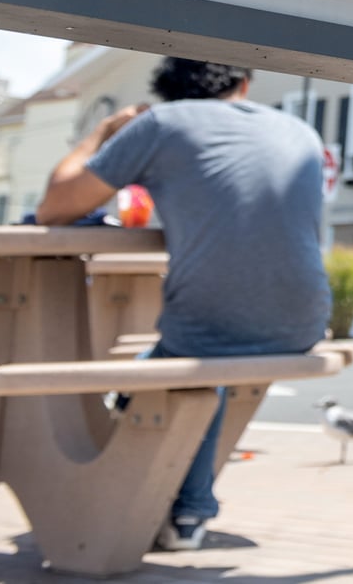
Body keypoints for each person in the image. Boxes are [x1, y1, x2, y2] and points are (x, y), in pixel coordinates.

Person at [38, 58, 330, 552]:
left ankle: (188, 506)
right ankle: (182, 496)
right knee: (192, 361)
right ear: (244, 83)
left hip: (207, 326)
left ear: (168, 92)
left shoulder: (162, 123)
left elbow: (56, 207)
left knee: (193, 357)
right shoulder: (298, 129)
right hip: (307, 318)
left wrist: (104, 132)